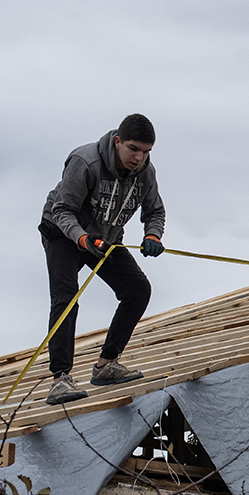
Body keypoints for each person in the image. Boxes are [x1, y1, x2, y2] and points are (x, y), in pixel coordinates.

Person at [37, 114, 166, 406]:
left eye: (146, 152)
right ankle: (60, 379)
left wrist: (153, 235)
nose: (139, 157)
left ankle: (106, 365)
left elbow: (155, 211)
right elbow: (63, 210)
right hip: (63, 234)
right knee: (66, 298)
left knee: (137, 290)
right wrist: (82, 239)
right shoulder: (85, 162)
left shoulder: (146, 172)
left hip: (104, 239)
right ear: (118, 141)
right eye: (133, 148)